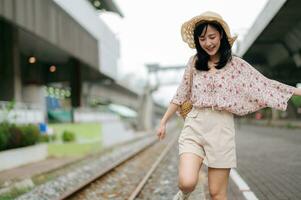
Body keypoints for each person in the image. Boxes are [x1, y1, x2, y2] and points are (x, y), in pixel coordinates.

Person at [156, 11, 301, 200]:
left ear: (221, 35)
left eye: (212, 37)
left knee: (217, 193)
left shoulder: (236, 65)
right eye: (202, 39)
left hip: (221, 128)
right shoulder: (194, 63)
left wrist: (297, 91)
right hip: (195, 124)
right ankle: (184, 194)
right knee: (187, 182)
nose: (208, 43)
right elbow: (180, 94)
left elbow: (263, 83)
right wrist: (163, 121)